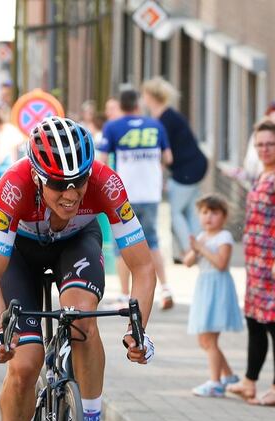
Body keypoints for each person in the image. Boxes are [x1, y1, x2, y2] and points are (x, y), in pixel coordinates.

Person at [0, 116, 156, 421]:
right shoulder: (14, 186)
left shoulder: (107, 184)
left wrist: (139, 330)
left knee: (81, 322)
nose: (72, 194)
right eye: (59, 185)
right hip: (20, 253)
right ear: (38, 178)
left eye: (79, 181)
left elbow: (143, 266)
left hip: (75, 245)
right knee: (24, 364)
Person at [227, 121, 275, 408]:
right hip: (258, 262)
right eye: (259, 144)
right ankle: (249, 380)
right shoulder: (263, 174)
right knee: (255, 321)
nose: (264, 149)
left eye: (270, 143)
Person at [97, 89, 175, 309]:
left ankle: (124, 295)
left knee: (122, 244)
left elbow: (101, 161)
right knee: (152, 241)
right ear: (138, 104)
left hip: (124, 195)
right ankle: (166, 288)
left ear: (121, 106)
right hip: (151, 193)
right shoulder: (155, 126)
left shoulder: (113, 127)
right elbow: (168, 157)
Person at [183, 195, 243, 397]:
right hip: (204, 288)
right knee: (204, 339)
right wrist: (195, 249)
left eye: (214, 213)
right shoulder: (202, 237)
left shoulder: (223, 237)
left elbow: (221, 263)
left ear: (224, 217)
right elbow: (188, 262)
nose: (209, 217)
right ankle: (229, 376)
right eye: (205, 212)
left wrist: (202, 248)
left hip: (217, 289)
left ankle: (216, 382)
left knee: (209, 340)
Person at [141, 77, 209, 257]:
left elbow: (165, 155)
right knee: (189, 211)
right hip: (194, 166)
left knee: (177, 212)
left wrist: (159, 176)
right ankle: (200, 246)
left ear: (150, 96)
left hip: (187, 170)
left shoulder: (164, 120)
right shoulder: (168, 115)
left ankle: (191, 250)